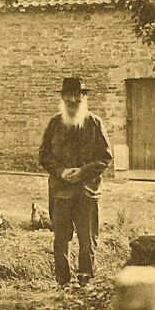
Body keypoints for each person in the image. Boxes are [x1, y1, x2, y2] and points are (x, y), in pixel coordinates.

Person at [38, 77, 113, 287]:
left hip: (87, 193)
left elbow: (105, 157)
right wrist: (61, 172)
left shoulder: (94, 124)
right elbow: (44, 155)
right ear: (62, 98)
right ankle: (62, 281)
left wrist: (83, 173)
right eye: (68, 95)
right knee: (61, 239)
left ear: (84, 97)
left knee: (87, 240)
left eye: (77, 95)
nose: (73, 100)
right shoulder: (54, 124)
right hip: (60, 192)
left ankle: (85, 281)